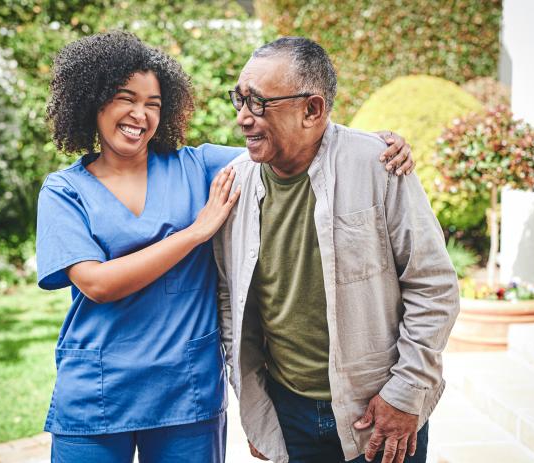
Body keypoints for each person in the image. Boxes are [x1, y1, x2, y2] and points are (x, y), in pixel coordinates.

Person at [36, 31, 415, 463]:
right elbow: (97, 284)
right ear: (94, 100)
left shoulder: (200, 167)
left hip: (186, 396)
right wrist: (196, 232)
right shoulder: (64, 191)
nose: (140, 115)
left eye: (153, 104)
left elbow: (290, 139)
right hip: (96, 397)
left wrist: (371, 142)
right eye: (126, 99)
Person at [214, 37, 460, 463]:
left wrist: (406, 393)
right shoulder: (233, 183)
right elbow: (230, 302)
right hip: (288, 413)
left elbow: (433, 287)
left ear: (313, 109)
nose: (243, 118)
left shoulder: (378, 165)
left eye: (258, 104)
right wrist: (257, 410)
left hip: (380, 409)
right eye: (240, 99)